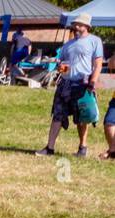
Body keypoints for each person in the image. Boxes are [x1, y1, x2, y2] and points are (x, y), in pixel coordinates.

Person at [36, 14, 105, 157]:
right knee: (57, 115)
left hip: (83, 84)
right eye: (75, 24)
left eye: (79, 24)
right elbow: (64, 65)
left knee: (82, 118)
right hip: (65, 84)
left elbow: (98, 64)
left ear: (87, 26)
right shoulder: (67, 45)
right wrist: (61, 68)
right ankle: (49, 148)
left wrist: (92, 82)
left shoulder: (95, 41)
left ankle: (82, 148)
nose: (76, 27)